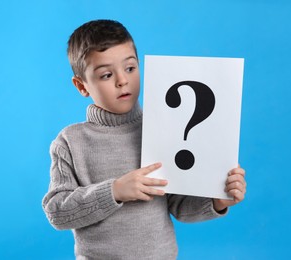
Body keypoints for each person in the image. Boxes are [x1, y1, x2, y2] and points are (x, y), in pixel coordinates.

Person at [42, 19, 247, 259]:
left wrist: (217, 200)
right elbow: (58, 212)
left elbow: (178, 205)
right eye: (107, 75)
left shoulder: (164, 127)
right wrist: (115, 191)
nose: (122, 80)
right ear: (82, 86)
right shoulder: (70, 142)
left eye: (130, 68)